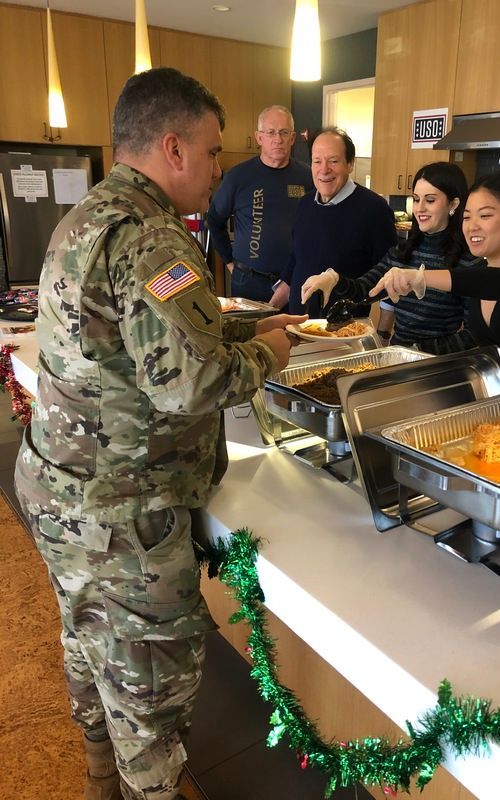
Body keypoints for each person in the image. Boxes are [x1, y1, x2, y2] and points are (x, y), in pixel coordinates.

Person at [14, 67, 306, 800]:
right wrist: (269, 353)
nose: (218, 171)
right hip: (123, 520)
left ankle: (97, 784)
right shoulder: (155, 239)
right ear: (174, 147)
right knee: (147, 699)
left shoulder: (92, 216)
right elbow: (189, 384)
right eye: (213, 153)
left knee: (89, 652)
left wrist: (242, 325)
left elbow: (137, 336)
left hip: (61, 494)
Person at [369, 172, 500, 391]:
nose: (472, 226)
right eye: (467, 216)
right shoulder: (480, 269)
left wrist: (421, 276)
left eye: (485, 216)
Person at [301, 161, 478, 354]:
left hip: (435, 366)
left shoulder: (468, 263)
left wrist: (417, 350)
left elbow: (474, 334)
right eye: (416, 199)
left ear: (453, 203)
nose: (419, 209)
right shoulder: (402, 253)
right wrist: (334, 279)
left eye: (430, 200)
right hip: (397, 357)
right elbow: (364, 290)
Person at [269, 126, 397, 316]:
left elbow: (390, 276)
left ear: (350, 164)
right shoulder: (304, 204)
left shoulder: (374, 209)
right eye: (317, 161)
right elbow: (296, 262)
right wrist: (269, 312)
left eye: (333, 161)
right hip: (298, 327)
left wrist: (384, 332)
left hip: (345, 332)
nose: (324, 170)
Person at [206, 105, 313, 302]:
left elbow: (316, 228)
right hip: (249, 282)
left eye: (284, 132)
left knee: (293, 333)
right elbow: (213, 219)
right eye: (271, 132)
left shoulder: (308, 177)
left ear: (293, 138)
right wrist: (229, 262)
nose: (278, 139)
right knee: (250, 333)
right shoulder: (238, 176)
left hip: (295, 281)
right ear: (259, 138)